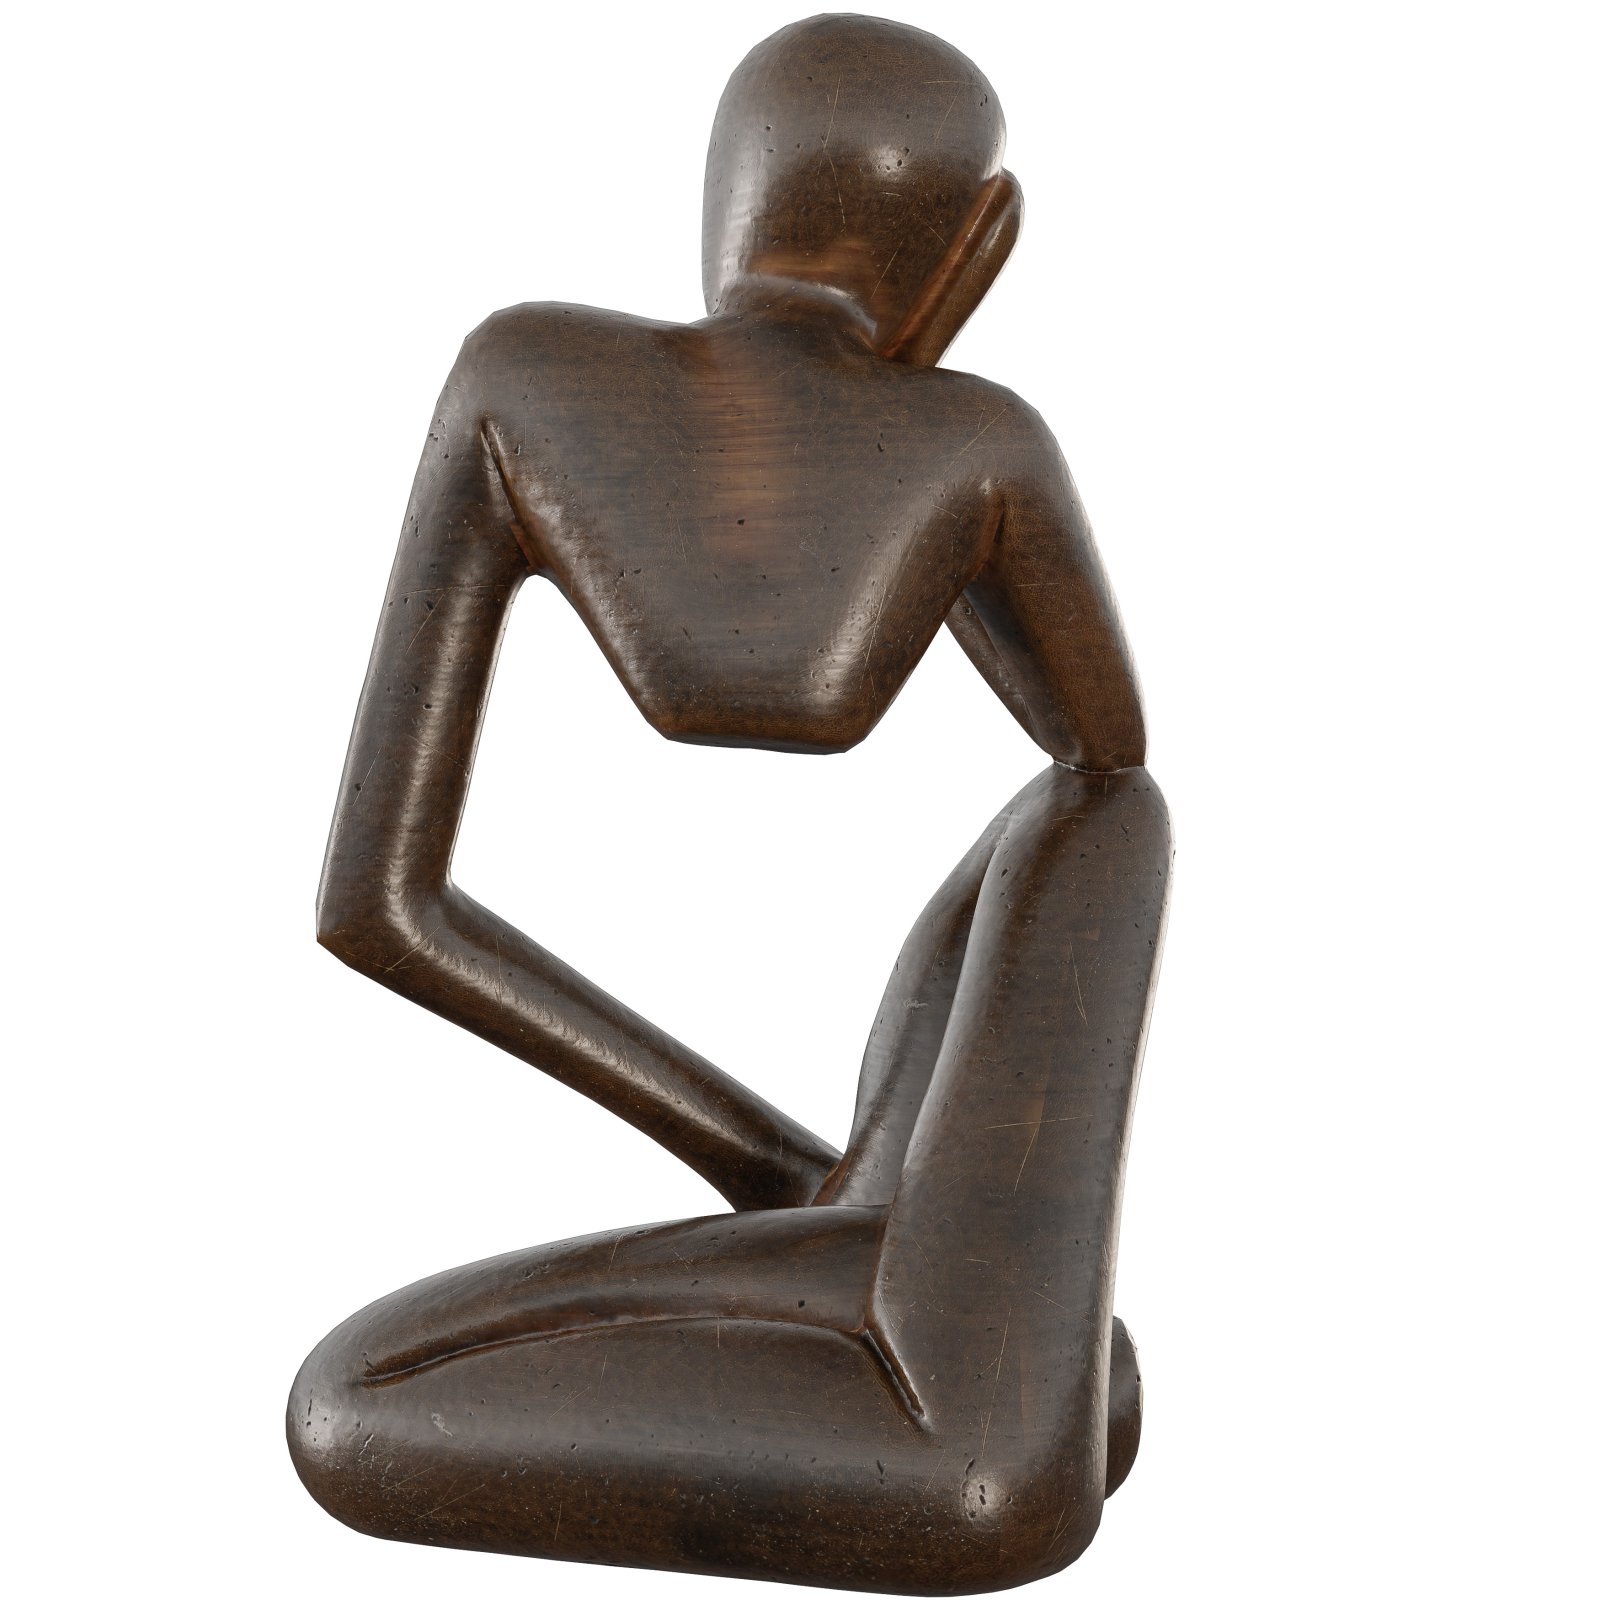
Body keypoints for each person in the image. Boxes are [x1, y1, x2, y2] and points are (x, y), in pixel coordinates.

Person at [289, 16, 1171, 1593]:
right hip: (912, 1230)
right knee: (351, 1401)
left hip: (941, 1279)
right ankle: (972, 1335)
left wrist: (790, 1180)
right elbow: (1106, 748)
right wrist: (783, 1178)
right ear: (976, 252)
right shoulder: (977, 443)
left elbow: (384, 910)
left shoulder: (526, 374)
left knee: (987, 1474)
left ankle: (978, 1370)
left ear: (724, 200)